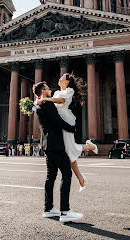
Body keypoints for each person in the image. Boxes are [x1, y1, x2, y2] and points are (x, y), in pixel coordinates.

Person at [37, 73, 98, 192]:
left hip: (66, 120)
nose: (59, 79)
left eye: (62, 78)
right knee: (69, 152)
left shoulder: (69, 91)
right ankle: (80, 178)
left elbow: (60, 101)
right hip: (59, 121)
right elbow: (53, 105)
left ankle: (90, 146)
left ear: (67, 82)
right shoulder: (56, 92)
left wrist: (44, 99)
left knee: (70, 149)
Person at [33, 81, 83, 223]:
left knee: (51, 177)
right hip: (56, 144)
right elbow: (57, 121)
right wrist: (72, 128)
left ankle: (48, 209)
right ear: (43, 91)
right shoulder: (47, 104)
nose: (50, 90)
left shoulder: (38, 104)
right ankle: (65, 211)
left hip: (48, 145)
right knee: (66, 174)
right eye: (48, 88)